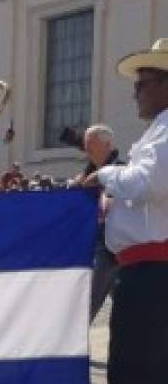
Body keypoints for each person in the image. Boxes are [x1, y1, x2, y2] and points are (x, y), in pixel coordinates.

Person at [83, 38, 168, 384]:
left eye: (145, 83)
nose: (136, 92)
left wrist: (103, 175)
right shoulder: (156, 129)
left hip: (152, 279)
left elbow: (147, 185)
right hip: (148, 273)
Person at [77, 124, 122, 322]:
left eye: (91, 143)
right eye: (86, 143)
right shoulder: (86, 174)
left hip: (111, 246)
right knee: (123, 302)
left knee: (88, 302)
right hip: (96, 243)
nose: (87, 148)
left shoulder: (121, 170)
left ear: (107, 145)